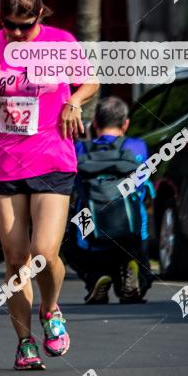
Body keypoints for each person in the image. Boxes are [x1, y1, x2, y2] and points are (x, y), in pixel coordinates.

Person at [0, 0, 99, 370]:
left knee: (44, 252)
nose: (18, 34)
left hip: (53, 158)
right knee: (15, 257)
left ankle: (51, 308)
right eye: (10, 25)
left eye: (26, 25)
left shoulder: (61, 42)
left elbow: (90, 81)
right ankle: (24, 342)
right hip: (5, 163)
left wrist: (73, 101)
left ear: (41, 15)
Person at [70, 96, 154, 304]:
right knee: (137, 228)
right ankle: (132, 275)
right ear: (125, 123)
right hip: (130, 229)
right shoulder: (138, 147)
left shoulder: (80, 149)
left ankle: (96, 277)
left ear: (95, 123)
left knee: (72, 238)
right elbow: (145, 186)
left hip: (90, 228)